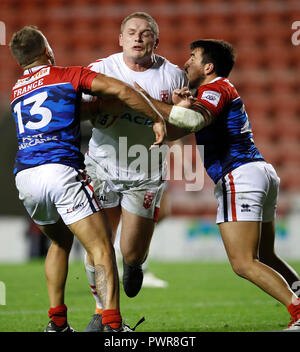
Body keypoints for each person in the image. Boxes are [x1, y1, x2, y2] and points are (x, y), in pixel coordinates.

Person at [9, 25, 166, 332]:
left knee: (61, 241)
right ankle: (112, 325)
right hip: (61, 171)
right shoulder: (68, 74)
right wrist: (156, 117)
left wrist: (97, 111)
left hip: (26, 177)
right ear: (46, 50)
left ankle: (56, 323)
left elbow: (66, 113)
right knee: (102, 248)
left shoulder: (17, 90)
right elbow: (121, 90)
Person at [136, 39, 300, 331]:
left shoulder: (216, 88)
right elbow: (182, 126)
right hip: (258, 171)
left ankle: (298, 311)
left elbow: (191, 119)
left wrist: (148, 103)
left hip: (240, 174)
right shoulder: (211, 92)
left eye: (193, 57)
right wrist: (176, 110)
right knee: (265, 255)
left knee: (243, 263)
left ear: (208, 67)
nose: (186, 63)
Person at [81, 12, 187, 331]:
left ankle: (134, 263)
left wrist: (168, 130)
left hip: (145, 171)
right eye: (131, 32)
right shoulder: (100, 69)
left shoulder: (173, 76)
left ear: (156, 40)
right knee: (98, 243)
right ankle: (102, 312)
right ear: (121, 39)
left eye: (145, 33)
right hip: (101, 165)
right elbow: (78, 110)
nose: (138, 37)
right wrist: (100, 111)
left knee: (130, 250)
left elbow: (188, 124)